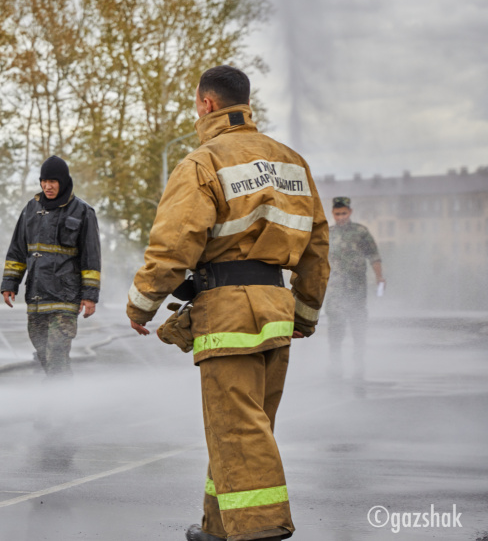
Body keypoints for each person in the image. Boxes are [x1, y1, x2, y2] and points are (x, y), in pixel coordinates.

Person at [126, 66, 329, 541]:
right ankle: (219, 527)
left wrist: (141, 304)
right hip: (277, 312)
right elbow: (318, 249)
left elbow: (174, 243)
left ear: (207, 104)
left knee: (237, 430)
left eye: (197, 102)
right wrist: (305, 313)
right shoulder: (292, 163)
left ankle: (259, 530)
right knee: (247, 427)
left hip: (228, 313)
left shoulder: (203, 162)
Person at [0, 155, 101, 377]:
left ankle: (62, 400)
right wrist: (10, 283)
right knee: (43, 352)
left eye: (53, 181)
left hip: (66, 296)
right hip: (37, 297)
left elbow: (91, 258)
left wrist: (90, 296)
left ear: (63, 182)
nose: (47, 186)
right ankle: (60, 393)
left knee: (56, 352)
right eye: (44, 181)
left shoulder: (83, 212)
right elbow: (17, 250)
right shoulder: (30, 209)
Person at [325, 196, 384, 381]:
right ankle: (336, 365)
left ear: (350, 212)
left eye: (343, 213)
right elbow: (318, 260)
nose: (340, 217)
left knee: (358, 327)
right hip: (335, 290)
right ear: (333, 214)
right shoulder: (328, 233)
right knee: (335, 327)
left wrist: (380, 277)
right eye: (337, 214)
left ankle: (359, 363)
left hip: (356, 289)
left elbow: (374, 256)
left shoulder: (360, 232)